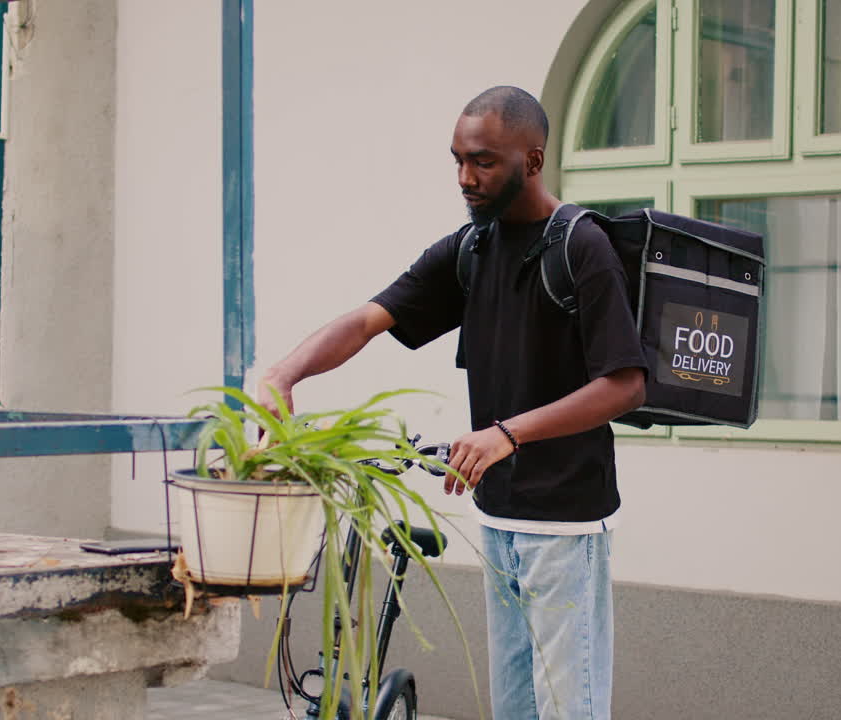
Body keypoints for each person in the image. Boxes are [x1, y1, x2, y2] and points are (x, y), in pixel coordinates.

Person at [257, 85, 646, 720]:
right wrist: (285, 372)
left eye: (484, 162)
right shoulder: (470, 250)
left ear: (533, 160)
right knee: (514, 709)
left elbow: (626, 383)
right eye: (459, 160)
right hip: (498, 517)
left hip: (566, 523)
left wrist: (505, 435)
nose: (466, 177)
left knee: (568, 709)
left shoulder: (581, 247)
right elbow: (367, 319)